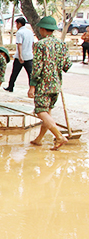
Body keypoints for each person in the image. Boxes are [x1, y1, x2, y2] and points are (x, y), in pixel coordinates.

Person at [28, 16, 73, 150]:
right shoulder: (62, 44)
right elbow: (67, 66)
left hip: (43, 84)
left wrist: (32, 86)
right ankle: (39, 139)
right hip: (56, 85)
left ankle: (59, 137)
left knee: (40, 111)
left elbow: (36, 68)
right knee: (47, 112)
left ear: (42, 29)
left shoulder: (40, 45)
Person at [4, 17, 34, 92]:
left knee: (14, 72)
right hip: (29, 55)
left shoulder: (20, 32)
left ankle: (10, 86)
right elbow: (33, 44)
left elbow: (19, 44)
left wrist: (20, 56)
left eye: (16, 24)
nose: (16, 26)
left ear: (19, 24)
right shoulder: (30, 32)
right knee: (30, 74)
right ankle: (32, 88)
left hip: (20, 56)